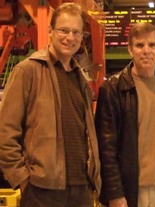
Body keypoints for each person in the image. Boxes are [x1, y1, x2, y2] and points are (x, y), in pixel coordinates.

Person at [0, 3, 101, 207]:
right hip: (42, 191)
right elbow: (5, 131)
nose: (70, 38)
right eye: (63, 30)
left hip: (81, 188)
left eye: (76, 32)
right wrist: (22, 179)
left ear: (82, 37)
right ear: (50, 32)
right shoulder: (27, 71)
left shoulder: (79, 78)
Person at [95, 22, 155, 207]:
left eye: (152, 45)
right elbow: (106, 148)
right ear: (130, 50)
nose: (146, 51)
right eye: (140, 45)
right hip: (131, 191)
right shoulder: (113, 89)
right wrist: (115, 193)